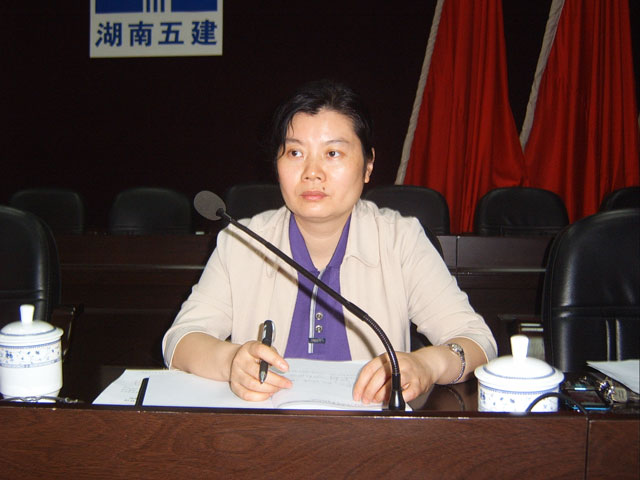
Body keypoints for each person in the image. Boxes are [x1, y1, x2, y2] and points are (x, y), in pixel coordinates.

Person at [162, 79, 497, 405]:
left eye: (333, 153)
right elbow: (180, 341)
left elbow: (478, 342)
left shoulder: (401, 240)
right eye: (295, 152)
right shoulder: (241, 242)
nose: (312, 172)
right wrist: (231, 360)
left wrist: (427, 365)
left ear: (368, 165)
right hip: (265, 431)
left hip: (371, 434)